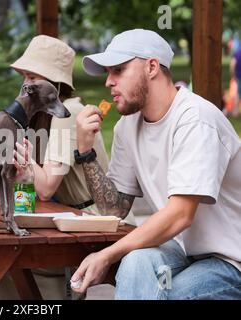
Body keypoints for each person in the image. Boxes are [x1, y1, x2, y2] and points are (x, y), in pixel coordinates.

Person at [72, 29, 241, 299]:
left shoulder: (195, 119)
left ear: (152, 67)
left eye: (118, 70)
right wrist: (85, 151)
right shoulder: (127, 126)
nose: (108, 82)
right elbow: (115, 208)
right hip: (181, 250)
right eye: (107, 73)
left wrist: (106, 255)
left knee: (166, 294)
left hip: (231, 260)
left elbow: (181, 214)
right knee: (135, 263)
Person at [0, 35, 109, 211]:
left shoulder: (68, 112)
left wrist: (7, 135)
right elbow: (28, 183)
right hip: (67, 216)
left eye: (32, 77)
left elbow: (45, 188)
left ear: (54, 83)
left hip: (97, 220)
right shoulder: (41, 113)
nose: (25, 85)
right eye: (24, 77)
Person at [229, 46, 241, 118]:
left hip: (239, 77)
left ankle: (236, 112)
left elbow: (232, 64)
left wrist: (233, 75)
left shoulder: (238, 52)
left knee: (238, 94)